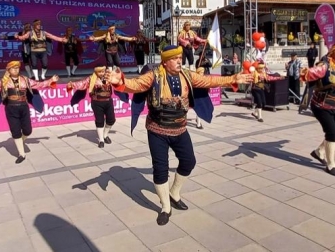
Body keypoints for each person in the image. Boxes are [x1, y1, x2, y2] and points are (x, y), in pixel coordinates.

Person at [107, 45, 250, 225]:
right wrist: (119, 80)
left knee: (189, 161)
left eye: (180, 58)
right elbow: (135, 85)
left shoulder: (187, 75)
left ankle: (174, 192)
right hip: (157, 129)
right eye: (175, 59)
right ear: (165, 62)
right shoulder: (154, 76)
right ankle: (165, 207)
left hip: (180, 129)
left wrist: (233, 78)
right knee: (160, 169)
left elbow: (209, 81)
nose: (179, 61)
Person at [0, 61, 58, 162]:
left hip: (23, 107)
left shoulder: (25, 79)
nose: (16, 69)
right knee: (15, 131)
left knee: (28, 130)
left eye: (17, 68)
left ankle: (20, 141)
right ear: (9, 70)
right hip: (11, 108)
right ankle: (21, 154)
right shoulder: (4, 81)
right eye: (13, 68)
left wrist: (51, 80)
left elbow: (39, 84)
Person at [300, 43, 335, 176]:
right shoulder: (325, 66)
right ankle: (330, 164)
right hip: (321, 106)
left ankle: (319, 151)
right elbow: (313, 73)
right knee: (331, 134)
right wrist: (306, 72)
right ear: (333, 53)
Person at [67, 67, 125, 147]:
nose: (102, 73)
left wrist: (118, 73)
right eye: (100, 72)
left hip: (108, 101)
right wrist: (72, 85)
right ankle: (101, 140)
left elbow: (118, 81)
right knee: (99, 121)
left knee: (111, 120)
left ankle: (105, 135)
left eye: (103, 71)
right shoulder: (91, 79)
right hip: (97, 102)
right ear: (96, 72)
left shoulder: (108, 77)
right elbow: (81, 84)